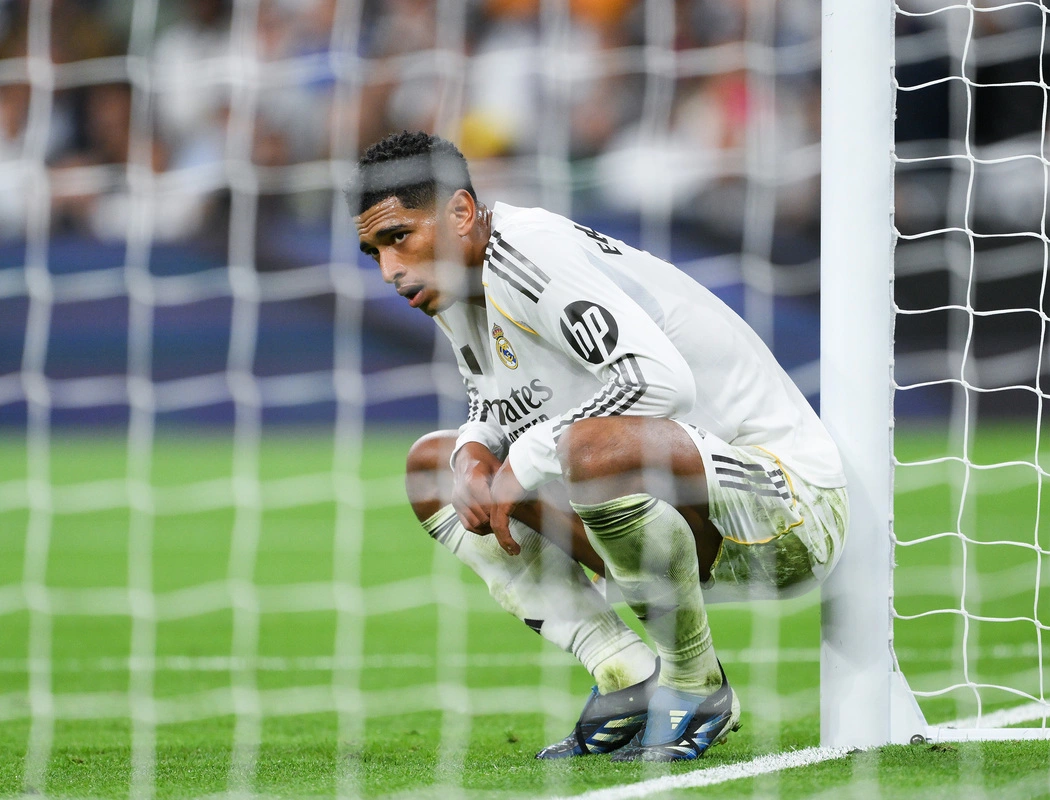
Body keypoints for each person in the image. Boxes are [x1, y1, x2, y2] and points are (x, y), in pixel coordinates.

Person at [347, 131, 848, 762]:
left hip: (788, 510)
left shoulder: (529, 254)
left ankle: (696, 685)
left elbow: (660, 380)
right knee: (434, 469)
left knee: (588, 448)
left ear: (462, 212)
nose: (391, 270)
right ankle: (626, 676)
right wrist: (475, 448)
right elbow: (494, 399)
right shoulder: (452, 285)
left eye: (399, 237)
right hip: (672, 531)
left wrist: (520, 467)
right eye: (373, 253)